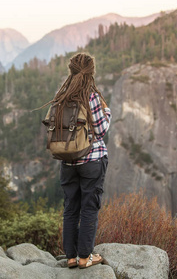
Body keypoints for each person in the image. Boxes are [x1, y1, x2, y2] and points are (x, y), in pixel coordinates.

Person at [47, 53, 111, 269]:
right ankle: (86, 257)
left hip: (67, 160)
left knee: (71, 208)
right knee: (89, 208)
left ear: (71, 71)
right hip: (92, 160)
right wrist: (107, 111)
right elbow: (101, 130)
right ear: (91, 72)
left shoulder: (61, 95)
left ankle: (71, 257)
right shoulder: (91, 96)